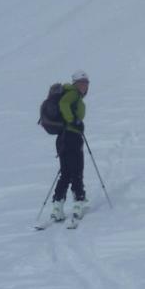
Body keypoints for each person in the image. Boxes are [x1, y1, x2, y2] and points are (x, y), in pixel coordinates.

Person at [51, 70, 90, 221]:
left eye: (86, 83)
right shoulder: (73, 94)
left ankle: (57, 207)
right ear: (75, 83)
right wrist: (73, 121)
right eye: (81, 82)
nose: (84, 86)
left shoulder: (72, 93)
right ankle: (78, 202)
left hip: (63, 138)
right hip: (71, 137)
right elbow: (63, 104)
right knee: (77, 170)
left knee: (66, 172)